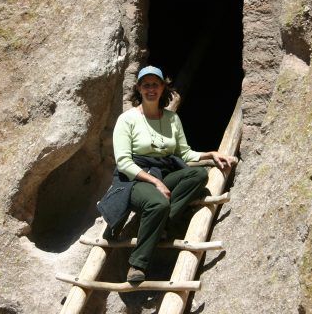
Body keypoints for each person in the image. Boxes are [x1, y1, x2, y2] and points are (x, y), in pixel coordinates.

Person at [97, 65, 234, 282]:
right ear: (139, 89)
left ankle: (163, 223)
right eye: (146, 85)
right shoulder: (128, 119)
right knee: (158, 203)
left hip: (164, 172)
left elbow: (185, 153)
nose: (151, 89)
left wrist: (210, 154)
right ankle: (137, 264)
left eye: (155, 84)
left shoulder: (171, 119)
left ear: (163, 88)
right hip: (134, 179)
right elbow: (123, 162)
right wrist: (155, 183)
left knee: (198, 176)